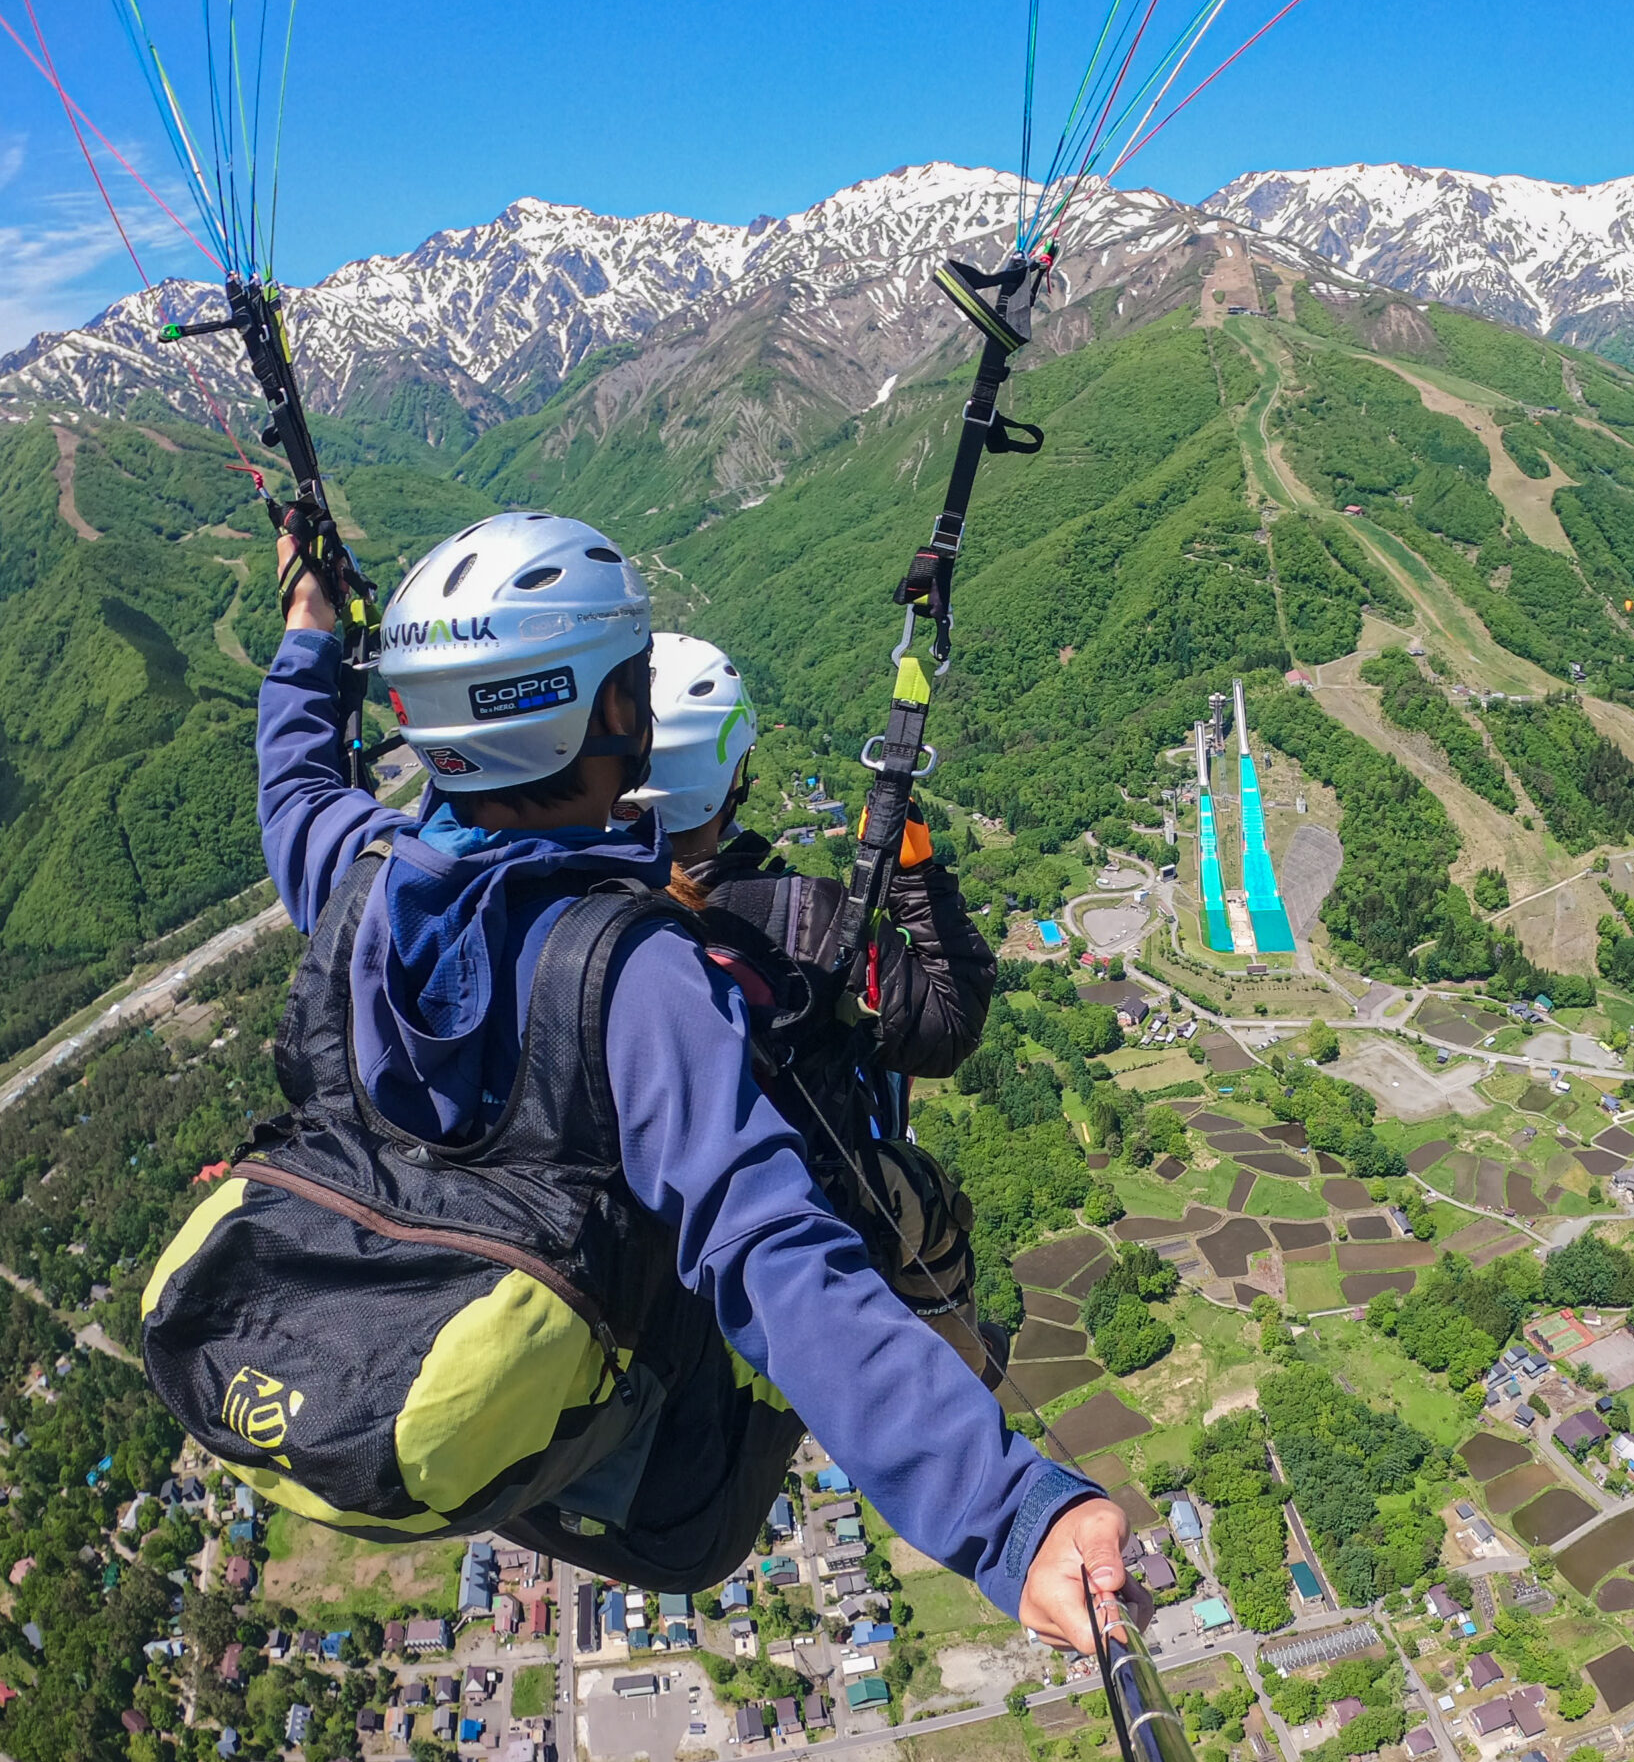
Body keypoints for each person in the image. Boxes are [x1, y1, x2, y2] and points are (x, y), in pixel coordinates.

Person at [141, 511, 1123, 1648]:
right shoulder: (640, 979)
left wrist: (310, 629)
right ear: (614, 713)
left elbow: (296, 786)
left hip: (432, 1394)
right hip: (660, 1487)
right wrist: (1005, 1517)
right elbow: (773, 1258)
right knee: (895, 1210)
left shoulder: (356, 883)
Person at [625, 632, 1007, 1382]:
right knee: (921, 1192)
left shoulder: (563, 906)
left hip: (637, 1215)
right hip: (790, 1203)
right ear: (730, 777)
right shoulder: (803, 921)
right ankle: (959, 1368)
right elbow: (946, 1024)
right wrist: (914, 876)